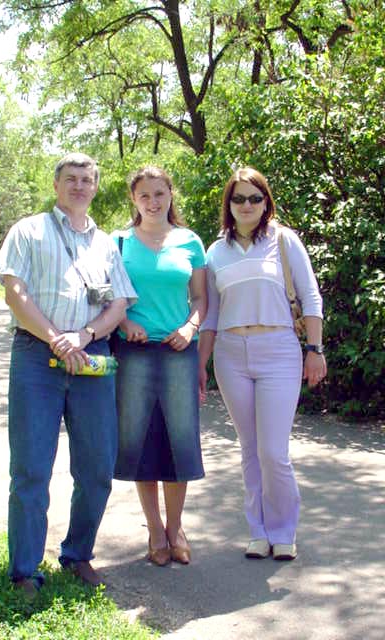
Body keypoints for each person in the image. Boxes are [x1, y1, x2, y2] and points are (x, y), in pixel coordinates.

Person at [0, 152, 137, 596]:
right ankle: (25, 572)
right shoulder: (28, 231)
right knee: (31, 468)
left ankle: (77, 555)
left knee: (96, 468)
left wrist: (85, 334)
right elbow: (15, 293)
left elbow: (119, 303)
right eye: (70, 178)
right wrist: (57, 338)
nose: (79, 186)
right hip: (37, 356)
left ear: (95, 187)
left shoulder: (105, 244)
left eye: (86, 179)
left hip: (92, 358)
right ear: (56, 185)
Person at [198, 167, 327, 561]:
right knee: (250, 449)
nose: (247, 205)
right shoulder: (215, 252)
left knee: (273, 451)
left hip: (279, 351)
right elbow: (210, 315)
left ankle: (284, 530)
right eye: (239, 198)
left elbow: (311, 296)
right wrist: (200, 365)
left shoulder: (283, 241)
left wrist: (315, 349)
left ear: (266, 201)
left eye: (255, 197)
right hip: (231, 355)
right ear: (229, 204)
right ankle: (258, 531)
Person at [112, 166, 207, 566]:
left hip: (178, 350)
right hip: (132, 352)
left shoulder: (190, 242)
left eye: (159, 193)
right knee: (140, 440)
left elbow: (200, 299)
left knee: (179, 439)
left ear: (171, 195)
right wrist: (124, 323)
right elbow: (107, 297)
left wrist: (190, 328)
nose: (152, 202)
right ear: (133, 200)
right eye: (144, 195)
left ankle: (176, 527)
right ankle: (154, 529)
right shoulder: (117, 243)